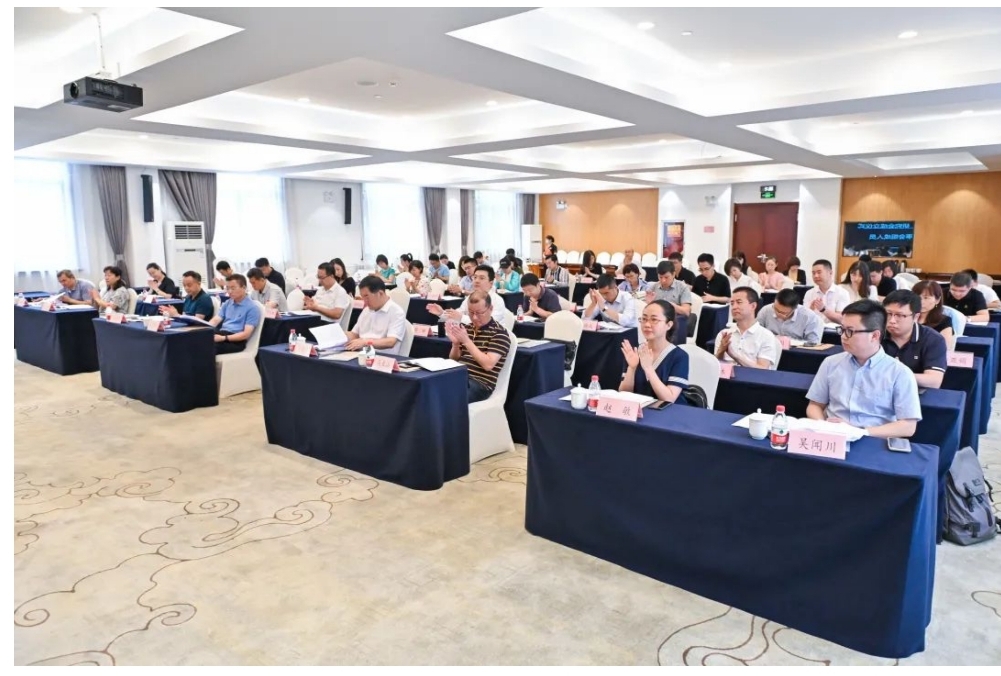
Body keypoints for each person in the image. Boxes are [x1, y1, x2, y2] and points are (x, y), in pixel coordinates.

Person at [806, 300, 922, 439]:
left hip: (872, 440)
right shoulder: (831, 363)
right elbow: (814, 406)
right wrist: (825, 427)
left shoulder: (900, 373)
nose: (843, 336)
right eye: (842, 329)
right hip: (832, 437)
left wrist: (859, 432)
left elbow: (908, 426)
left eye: (850, 331)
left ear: (874, 335)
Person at [446, 290, 512, 404]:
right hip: (459, 376)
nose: (475, 317)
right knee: (430, 388)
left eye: (480, 313)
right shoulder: (467, 328)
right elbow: (454, 359)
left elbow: (488, 365)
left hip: (480, 384)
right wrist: (455, 344)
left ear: (490, 309)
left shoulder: (499, 333)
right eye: (471, 313)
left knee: (447, 397)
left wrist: (467, 341)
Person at [620, 300, 689, 403]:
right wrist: (632, 368)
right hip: (641, 410)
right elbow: (624, 394)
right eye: (644, 319)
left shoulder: (679, 356)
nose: (647, 324)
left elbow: (669, 399)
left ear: (669, 325)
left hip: (669, 411)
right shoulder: (635, 352)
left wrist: (649, 369)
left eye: (654, 320)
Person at [881, 290, 947, 389]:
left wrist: (898, 374)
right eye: (888, 314)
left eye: (900, 315)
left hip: (915, 392)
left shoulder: (933, 339)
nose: (892, 320)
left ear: (916, 317)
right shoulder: (874, 334)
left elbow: (934, 381)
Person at [714, 287, 778, 369]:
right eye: (732, 303)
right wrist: (721, 351)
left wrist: (735, 355)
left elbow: (763, 369)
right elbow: (716, 366)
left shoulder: (766, 336)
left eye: (739, 302)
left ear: (753, 306)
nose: (734, 307)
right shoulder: (724, 334)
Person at [344, 276, 408, 354]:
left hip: (382, 356)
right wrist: (340, 335)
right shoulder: (366, 310)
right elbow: (354, 334)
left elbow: (391, 342)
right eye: (362, 297)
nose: (364, 301)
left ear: (380, 293)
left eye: (366, 297)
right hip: (362, 354)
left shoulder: (396, 312)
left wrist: (365, 342)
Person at [428, 264, 505, 324]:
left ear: (491, 283)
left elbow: (487, 323)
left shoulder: (497, 300)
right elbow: (457, 314)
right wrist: (441, 313)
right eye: (475, 277)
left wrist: (461, 317)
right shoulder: (470, 297)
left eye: (481, 278)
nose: (476, 281)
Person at [208, 274, 262, 354]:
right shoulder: (228, 303)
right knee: (196, 339)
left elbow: (246, 334)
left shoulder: (252, 308)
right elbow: (215, 320)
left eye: (233, 288)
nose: (229, 291)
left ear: (244, 288)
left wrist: (224, 338)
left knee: (206, 347)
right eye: (227, 288)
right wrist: (204, 329)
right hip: (222, 333)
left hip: (236, 341)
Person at [756, 288, 823, 344]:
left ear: (794, 308)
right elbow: (756, 333)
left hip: (798, 352)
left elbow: (813, 344)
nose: (778, 314)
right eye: (776, 309)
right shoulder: (766, 310)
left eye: (783, 313)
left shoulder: (809, 317)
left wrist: (790, 342)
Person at [803, 259, 851, 324]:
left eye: (819, 272)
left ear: (830, 273)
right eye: (813, 273)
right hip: (813, 328)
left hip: (833, 330)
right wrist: (810, 310)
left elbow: (842, 319)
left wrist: (823, 309)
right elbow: (803, 318)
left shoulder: (842, 293)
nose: (816, 276)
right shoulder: (809, 293)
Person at [912, 280, 956, 349]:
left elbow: (945, 348)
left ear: (937, 300)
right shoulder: (906, 317)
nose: (921, 302)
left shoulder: (944, 321)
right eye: (917, 297)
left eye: (926, 298)